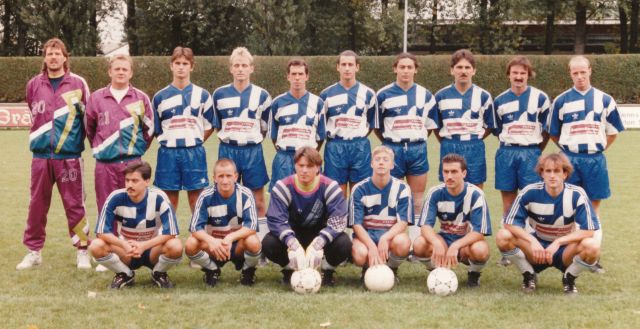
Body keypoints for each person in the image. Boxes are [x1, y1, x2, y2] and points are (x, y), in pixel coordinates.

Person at [18, 38, 92, 270]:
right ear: (44, 57)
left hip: (69, 157)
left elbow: (88, 119)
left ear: (65, 57)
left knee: (75, 205)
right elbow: (34, 110)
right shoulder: (33, 85)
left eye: (57, 53)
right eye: (49, 53)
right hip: (40, 157)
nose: (53, 57)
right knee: (37, 205)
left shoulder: (78, 84)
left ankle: (82, 249)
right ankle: (34, 251)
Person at [547, 55, 624, 272]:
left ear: (590, 71)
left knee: (593, 210)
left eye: (583, 72)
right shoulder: (561, 101)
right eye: (575, 73)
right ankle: (570, 254)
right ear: (570, 74)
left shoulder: (605, 100)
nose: (580, 76)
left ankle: (593, 256)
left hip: (595, 160)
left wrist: (596, 149)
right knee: (569, 209)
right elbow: (553, 133)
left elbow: (613, 132)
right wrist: (570, 150)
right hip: (570, 160)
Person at [496, 153, 600, 294]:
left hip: (564, 250)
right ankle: (528, 274)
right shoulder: (529, 192)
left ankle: (569, 277)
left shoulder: (577, 194)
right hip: (537, 248)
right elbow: (509, 223)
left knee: (592, 246)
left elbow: (589, 231)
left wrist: (558, 242)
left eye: (557, 171)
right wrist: (532, 240)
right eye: (548, 171)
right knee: (503, 235)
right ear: (542, 173)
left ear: (565, 174)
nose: (552, 176)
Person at [262, 147, 351, 286]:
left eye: (309, 166)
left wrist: (320, 242)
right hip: (294, 234)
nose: (304, 170)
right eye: (301, 165)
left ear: (318, 168)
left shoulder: (330, 187)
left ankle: (327, 271)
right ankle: (289, 270)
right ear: (295, 166)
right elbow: (275, 220)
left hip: (319, 234)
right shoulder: (282, 187)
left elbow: (338, 220)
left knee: (344, 244)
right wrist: (291, 242)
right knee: (269, 243)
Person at [491, 56, 550, 266]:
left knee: (531, 202)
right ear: (509, 75)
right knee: (508, 203)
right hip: (507, 153)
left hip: (531, 154)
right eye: (515, 73)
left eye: (523, 73)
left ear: (528, 75)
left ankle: (532, 245)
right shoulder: (499, 101)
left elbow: (547, 131)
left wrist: (533, 150)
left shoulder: (541, 98)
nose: (518, 77)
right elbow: (498, 130)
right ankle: (508, 252)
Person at [89, 162, 183, 289]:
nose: (129, 185)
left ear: (147, 181)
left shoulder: (159, 197)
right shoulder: (115, 197)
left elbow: (171, 232)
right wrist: (124, 245)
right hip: (127, 250)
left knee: (176, 246)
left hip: (152, 250)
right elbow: (101, 232)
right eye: (127, 180)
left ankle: (158, 273)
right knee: (96, 245)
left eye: (135, 181)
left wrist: (144, 246)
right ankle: (125, 274)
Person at [85, 54, 154, 215]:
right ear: (110, 72)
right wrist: (102, 147)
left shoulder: (141, 98)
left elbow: (149, 130)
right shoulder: (96, 98)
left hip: (133, 164)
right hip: (105, 165)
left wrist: (137, 148)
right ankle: (110, 241)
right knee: (106, 209)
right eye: (117, 69)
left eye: (125, 69)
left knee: (134, 210)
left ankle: (134, 241)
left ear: (131, 73)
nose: (121, 72)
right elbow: (90, 128)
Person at [413, 153, 492, 288]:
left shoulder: (476, 194)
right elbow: (425, 226)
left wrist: (456, 246)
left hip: (466, 243)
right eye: (446, 171)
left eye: (454, 172)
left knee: (481, 249)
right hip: (444, 239)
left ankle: (473, 274)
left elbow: (479, 232)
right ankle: (435, 272)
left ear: (464, 173)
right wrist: (436, 242)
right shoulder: (435, 193)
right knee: (419, 243)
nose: (449, 176)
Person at [152, 46, 215, 212]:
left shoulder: (203, 95)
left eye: (185, 63)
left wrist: (196, 139)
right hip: (168, 154)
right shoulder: (159, 96)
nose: (181, 67)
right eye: (177, 63)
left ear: (191, 66)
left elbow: (209, 126)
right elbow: (156, 129)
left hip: (194, 153)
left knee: (196, 201)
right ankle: (170, 237)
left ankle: (198, 237)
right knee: (169, 202)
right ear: (171, 65)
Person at [375, 52, 437, 221]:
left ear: (415, 70)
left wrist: (414, 137)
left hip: (417, 149)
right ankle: (391, 239)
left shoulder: (426, 95)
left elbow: (429, 126)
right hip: (391, 148)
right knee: (391, 194)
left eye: (410, 67)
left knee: (417, 198)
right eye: (402, 67)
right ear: (395, 69)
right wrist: (392, 139)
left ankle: (415, 239)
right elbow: (377, 126)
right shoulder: (383, 95)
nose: (405, 71)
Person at [212, 47, 272, 218]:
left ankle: (259, 242)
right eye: (236, 65)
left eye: (244, 65)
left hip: (252, 151)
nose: (240, 69)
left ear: (251, 68)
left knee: (258, 200)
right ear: (231, 68)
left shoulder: (262, 95)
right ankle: (225, 241)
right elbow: (218, 125)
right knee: (224, 197)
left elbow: (264, 126)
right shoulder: (219, 94)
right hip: (228, 150)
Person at [186, 159, 262, 287]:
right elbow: (194, 227)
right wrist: (212, 241)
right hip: (214, 247)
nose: (225, 180)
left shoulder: (245, 194)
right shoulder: (205, 196)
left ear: (236, 176)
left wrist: (230, 237)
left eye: (228, 176)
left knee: (253, 242)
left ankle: (247, 270)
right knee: (190, 244)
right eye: (221, 176)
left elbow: (252, 226)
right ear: (214, 178)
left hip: (236, 246)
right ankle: (212, 269)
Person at [434, 49, 495, 189]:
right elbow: (436, 126)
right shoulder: (440, 96)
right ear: (452, 70)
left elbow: (489, 125)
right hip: (449, 145)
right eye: (459, 67)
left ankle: (475, 211)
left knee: (476, 188)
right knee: (449, 186)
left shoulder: (483, 96)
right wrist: (448, 140)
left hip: (475, 146)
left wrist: (474, 138)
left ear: (474, 71)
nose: (463, 71)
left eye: (467, 67)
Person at [349, 146, 412, 281]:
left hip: (389, 236)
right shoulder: (359, 189)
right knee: (360, 254)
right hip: (367, 236)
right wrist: (371, 246)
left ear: (392, 164)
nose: (381, 162)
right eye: (377, 159)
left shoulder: (402, 188)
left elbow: (403, 222)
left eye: (385, 159)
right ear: (372, 164)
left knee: (403, 242)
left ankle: (391, 268)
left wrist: (385, 238)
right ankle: (367, 268)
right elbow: (356, 224)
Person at [319, 50, 377, 196]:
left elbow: (370, 124)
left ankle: (357, 220)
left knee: (360, 193)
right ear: (337, 67)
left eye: (350, 64)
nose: (347, 68)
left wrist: (357, 135)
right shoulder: (326, 94)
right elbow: (322, 124)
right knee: (337, 195)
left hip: (360, 147)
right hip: (335, 147)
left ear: (357, 67)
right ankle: (340, 220)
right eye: (343, 64)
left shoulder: (368, 93)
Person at [267, 58, 326, 191]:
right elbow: (274, 136)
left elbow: (320, 137)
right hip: (284, 158)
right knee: (282, 198)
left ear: (307, 76)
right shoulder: (277, 103)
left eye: (300, 74)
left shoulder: (317, 103)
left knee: (311, 198)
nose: (297, 78)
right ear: (288, 76)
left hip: (309, 159)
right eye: (293, 74)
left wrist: (309, 153)